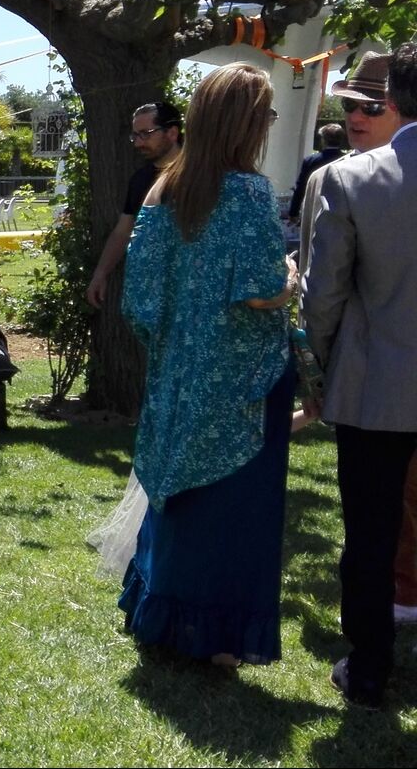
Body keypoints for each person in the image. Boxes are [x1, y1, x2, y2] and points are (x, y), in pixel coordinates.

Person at [118, 62, 296, 669]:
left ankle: (160, 616)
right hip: (240, 379)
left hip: (177, 373)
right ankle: (217, 637)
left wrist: (176, 343)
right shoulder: (247, 192)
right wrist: (290, 277)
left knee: (175, 496)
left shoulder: (164, 188)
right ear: (248, 125)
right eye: (267, 116)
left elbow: (139, 298)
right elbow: (262, 290)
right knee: (232, 511)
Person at [303, 43, 417, 709]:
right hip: (377, 382)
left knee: (370, 536)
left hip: (376, 387)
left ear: (394, 98)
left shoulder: (352, 179)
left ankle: (369, 669)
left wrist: (319, 366)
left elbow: (324, 295)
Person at [86, 101, 183, 308]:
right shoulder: (140, 180)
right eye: (135, 136)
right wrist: (100, 274)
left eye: (146, 134)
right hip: (155, 295)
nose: (138, 143)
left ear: (172, 133)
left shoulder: (200, 174)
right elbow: (123, 231)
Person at [289, 122, 348, 224]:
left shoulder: (311, 161)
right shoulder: (349, 160)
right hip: (343, 210)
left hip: (315, 208)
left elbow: (301, 187)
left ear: (323, 140)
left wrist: (293, 212)